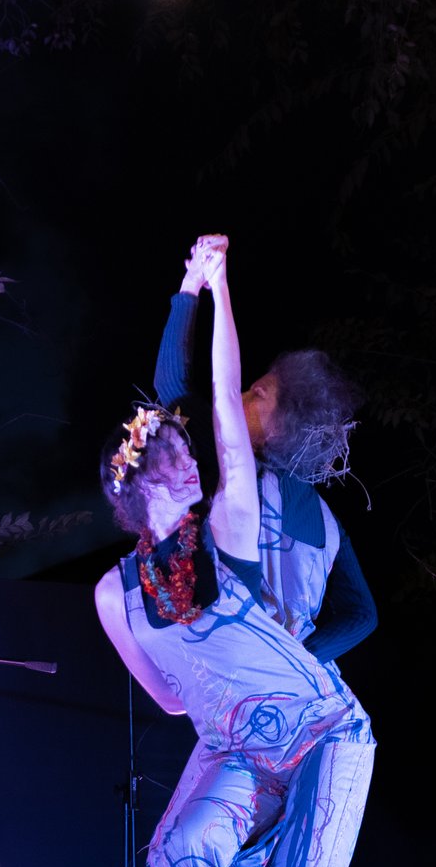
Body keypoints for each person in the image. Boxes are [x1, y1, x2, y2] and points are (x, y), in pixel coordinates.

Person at [93, 240, 375, 867]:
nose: (193, 459)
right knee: (175, 860)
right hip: (244, 727)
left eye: (259, 395)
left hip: (313, 720)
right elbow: (171, 695)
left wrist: (203, 289)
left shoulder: (234, 503)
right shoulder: (120, 589)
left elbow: (198, 389)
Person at [150, 238, 375, 661]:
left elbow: (172, 385)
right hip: (295, 687)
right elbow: (362, 616)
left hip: (228, 663)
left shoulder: (231, 466)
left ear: (277, 435)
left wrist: (190, 285)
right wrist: (298, 656)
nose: (245, 391)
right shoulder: (329, 525)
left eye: (260, 391)